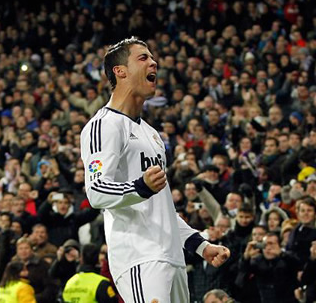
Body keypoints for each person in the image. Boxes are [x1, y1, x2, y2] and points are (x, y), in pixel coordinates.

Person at [80, 37, 230, 302]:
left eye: (152, 58)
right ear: (120, 71)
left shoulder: (151, 134)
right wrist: (140, 187)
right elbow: (96, 192)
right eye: (143, 58)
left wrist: (199, 245)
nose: (154, 62)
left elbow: (163, 208)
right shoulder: (104, 125)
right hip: (140, 255)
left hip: (172, 256)